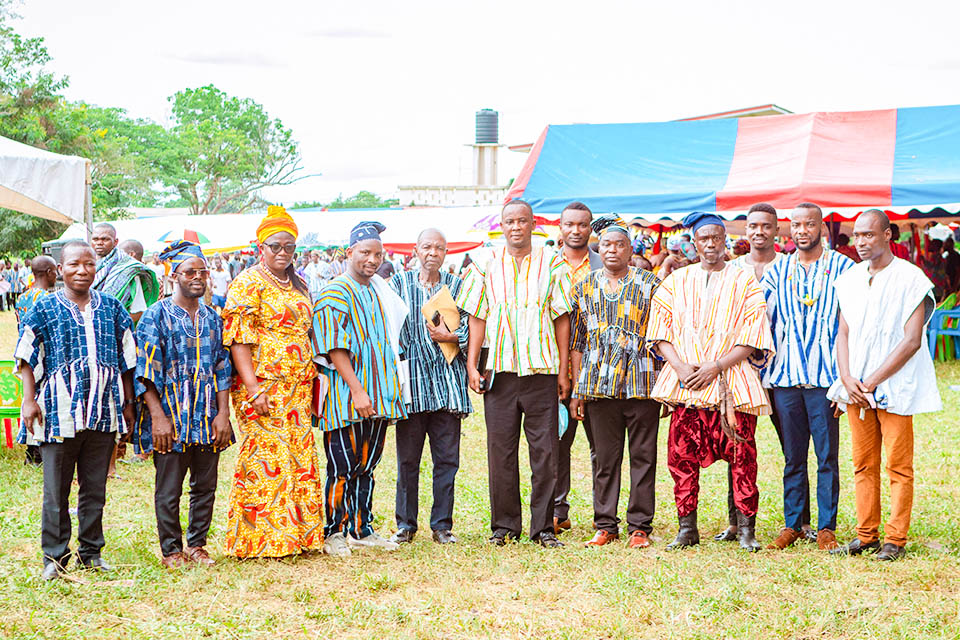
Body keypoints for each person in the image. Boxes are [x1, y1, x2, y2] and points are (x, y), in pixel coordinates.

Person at [646, 212, 774, 553]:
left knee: (742, 457)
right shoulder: (676, 281)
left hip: (731, 384)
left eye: (718, 237)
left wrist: (715, 366)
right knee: (680, 459)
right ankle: (687, 529)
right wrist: (681, 367)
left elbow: (754, 336)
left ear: (725, 241)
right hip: (686, 384)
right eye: (704, 239)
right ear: (694, 243)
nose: (711, 244)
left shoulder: (744, 281)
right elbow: (659, 332)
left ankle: (746, 528)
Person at [15, 241, 137, 580]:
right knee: (56, 489)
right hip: (58, 411)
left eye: (88, 264)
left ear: (96, 267)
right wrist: (28, 399)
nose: (81, 270)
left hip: (103, 408)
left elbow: (128, 360)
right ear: (60, 269)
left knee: (95, 487)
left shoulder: (111, 308)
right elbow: (26, 354)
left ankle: (91, 552)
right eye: (73, 265)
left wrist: (127, 404)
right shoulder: (45, 308)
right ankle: (54, 558)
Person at [458, 199, 573, 548]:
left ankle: (543, 529)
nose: (516, 227)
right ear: (502, 225)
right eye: (510, 221)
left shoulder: (553, 262)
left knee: (545, 452)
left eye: (522, 221)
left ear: (533, 224)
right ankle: (504, 526)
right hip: (500, 373)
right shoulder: (483, 264)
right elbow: (477, 317)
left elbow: (562, 318)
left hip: (542, 371)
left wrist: (564, 370)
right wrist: (471, 364)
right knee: (500, 451)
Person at [828, 210, 942, 561]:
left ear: (888, 234)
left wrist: (872, 380)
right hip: (856, 388)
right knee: (862, 464)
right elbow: (842, 333)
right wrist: (848, 379)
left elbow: (911, 341)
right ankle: (866, 535)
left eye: (869, 235)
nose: (861, 242)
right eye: (857, 235)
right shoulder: (849, 279)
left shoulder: (911, 279)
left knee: (898, 465)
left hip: (894, 386)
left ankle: (895, 538)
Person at [221, 206, 324, 558]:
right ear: (259, 247)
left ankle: (299, 536)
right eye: (275, 246)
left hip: (297, 385)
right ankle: (263, 542)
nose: (282, 253)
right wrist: (253, 388)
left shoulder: (299, 283)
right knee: (268, 456)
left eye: (289, 247)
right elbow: (238, 339)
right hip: (264, 385)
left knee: (298, 456)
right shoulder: (247, 283)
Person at [132, 241, 233, 568]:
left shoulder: (214, 319)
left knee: (205, 485)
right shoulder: (155, 316)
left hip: (206, 416)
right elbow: (145, 374)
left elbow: (222, 368)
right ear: (174, 275)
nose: (198, 277)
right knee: (169, 487)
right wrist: (158, 417)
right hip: (170, 415)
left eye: (203, 272)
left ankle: (197, 545)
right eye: (190, 272)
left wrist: (223, 414)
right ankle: (171, 550)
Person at [760, 203, 855, 552]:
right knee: (792, 456)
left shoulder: (844, 268)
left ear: (822, 229)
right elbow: (763, 321)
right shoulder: (777, 270)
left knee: (827, 456)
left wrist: (847, 380)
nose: (802, 231)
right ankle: (793, 525)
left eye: (809, 224)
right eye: (796, 225)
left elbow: (853, 325)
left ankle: (826, 527)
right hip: (786, 379)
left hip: (826, 381)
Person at [312, 221, 408, 556]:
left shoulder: (376, 290)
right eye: (365, 252)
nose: (372, 260)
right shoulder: (334, 292)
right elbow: (334, 347)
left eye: (378, 254)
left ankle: (361, 528)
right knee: (341, 467)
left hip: (380, 396)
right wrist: (356, 389)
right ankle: (334, 532)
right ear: (349, 252)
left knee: (367, 466)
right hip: (347, 398)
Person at [568, 215, 662, 548]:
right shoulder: (584, 286)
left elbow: (661, 335)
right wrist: (578, 388)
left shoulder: (649, 284)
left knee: (643, 456)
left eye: (620, 244)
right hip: (598, 386)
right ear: (599, 247)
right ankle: (605, 524)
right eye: (606, 244)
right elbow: (577, 341)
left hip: (641, 383)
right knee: (604, 459)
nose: (612, 250)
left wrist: (664, 385)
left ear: (628, 248)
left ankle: (640, 527)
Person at [387, 229, 471, 545]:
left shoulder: (457, 287)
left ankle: (442, 526)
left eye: (439, 247)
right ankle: (405, 525)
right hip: (412, 386)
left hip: (448, 387)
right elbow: (389, 328)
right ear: (415, 250)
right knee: (407, 461)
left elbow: (476, 333)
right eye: (427, 246)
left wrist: (453, 338)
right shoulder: (398, 285)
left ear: (446, 252)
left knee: (447, 461)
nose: (432, 252)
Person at [716, 203, 793, 542]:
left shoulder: (790, 268)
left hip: (784, 371)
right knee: (737, 449)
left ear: (777, 230)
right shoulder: (730, 270)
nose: (759, 231)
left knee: (792, 448)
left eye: (766, 226)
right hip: (740, 372)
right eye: (753, 226)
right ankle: (736, 521)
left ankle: (798, 521)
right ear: (745, 231)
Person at [555, 201, 603, 533]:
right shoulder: (544, 265)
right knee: (556, 443)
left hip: (597, 370)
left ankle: (605, 515)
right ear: (561, 227)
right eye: (570, 224)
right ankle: (559, 510)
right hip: (555, 369)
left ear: (590, 228)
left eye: (582, 225)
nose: (576, 230)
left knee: (602, 447)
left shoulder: (605, 265)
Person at [14, 256, 57, 467]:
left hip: (25, 351)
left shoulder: (22, 297)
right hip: (43, 353)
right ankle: (39, 451)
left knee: (29, 397)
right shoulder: (48, 299)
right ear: (49, 272)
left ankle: (31, 451)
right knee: (42, 400)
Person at [91, 224, 159, 325]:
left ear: (115, 242)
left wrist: (111, 324)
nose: (99, 243)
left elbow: (139, 311)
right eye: (95, 239)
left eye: (105, 239)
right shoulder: (88, 265)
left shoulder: (129, 270)